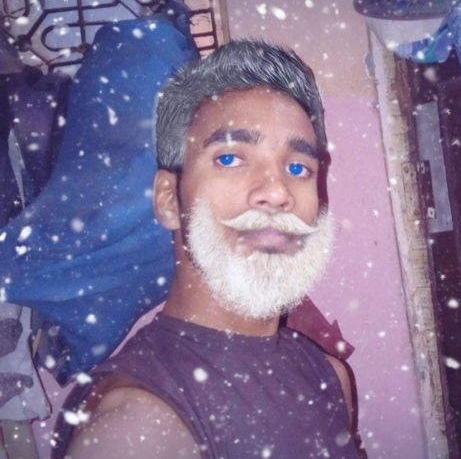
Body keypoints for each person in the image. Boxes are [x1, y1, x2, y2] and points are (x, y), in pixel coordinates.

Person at [51, 39, 365, 459]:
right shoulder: (138, 423)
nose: (278, 191)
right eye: (230, 159)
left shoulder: (328, 375)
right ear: (169, 200)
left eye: (298, 167)